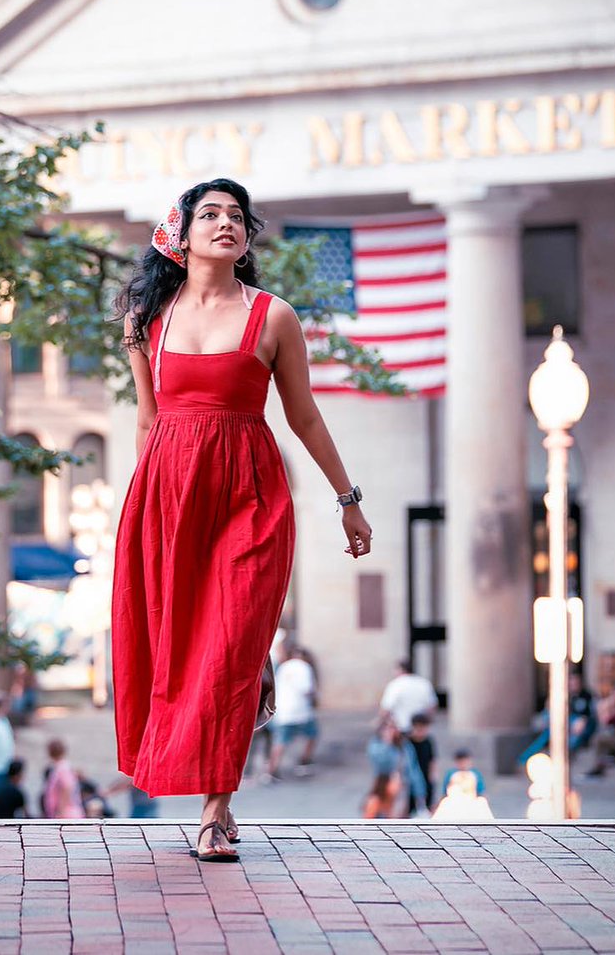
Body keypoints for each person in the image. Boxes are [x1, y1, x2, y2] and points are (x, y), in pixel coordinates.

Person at [110, 178, 372, 864]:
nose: (225, 223)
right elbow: (147, 417)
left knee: (230, 644)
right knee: (183, 643)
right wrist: (146, 508)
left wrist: (348, 499)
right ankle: (232, 721)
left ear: (247, 238)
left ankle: (215, 809)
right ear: (183, 232)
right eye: (210, 213)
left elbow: (304, 415)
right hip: (170, 493)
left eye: (237, 216)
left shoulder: (273, 316)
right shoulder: (145, 320)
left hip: (250, 497)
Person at [266, 643, 320, 781]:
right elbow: (307, 689)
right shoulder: (305, 667)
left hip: (283, 711)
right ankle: (304, 761)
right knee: (312, 734)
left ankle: (271, 771)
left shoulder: (284, 667)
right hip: (301, 711)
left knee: (280, 742)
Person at [519, 671, 597, 764]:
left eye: (576, 681)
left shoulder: (586, 695)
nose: (573, 684)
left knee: (572, 737)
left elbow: (590, 714)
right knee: (548, 732)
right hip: (566, 721)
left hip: (581, 724)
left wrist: (583, 720)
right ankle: (524, 759)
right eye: (571, 681)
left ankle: (563, 756)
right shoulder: (566, 694)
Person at [378, 660, 438, 735]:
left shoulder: (395, 684)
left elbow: (386, 708)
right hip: (420, 729)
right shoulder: (424, 683)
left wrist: (382, 724)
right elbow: (432, 706)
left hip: (401, 728)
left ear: (401, 670)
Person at [363, 719, 404, 819]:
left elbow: (410, 766)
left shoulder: (401, 745)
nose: (390, 731)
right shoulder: (376, 745)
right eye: (387, 729)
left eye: (392, 728)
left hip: (394, 779)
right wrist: (387, 743)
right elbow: (379, 763)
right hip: (382, 780)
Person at [42, 739, 86, 819]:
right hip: (66, 812)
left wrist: (60, 811)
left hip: (66, 814)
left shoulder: (62, 768)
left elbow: (67, 787)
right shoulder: (61, 766)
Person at [403, 714, 437, 816]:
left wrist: (433, 775)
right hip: (409, 777)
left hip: (425, 775)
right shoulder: (406, 741)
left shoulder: (428, 741)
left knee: (427, 803)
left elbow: (432, 759)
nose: (421, 731)